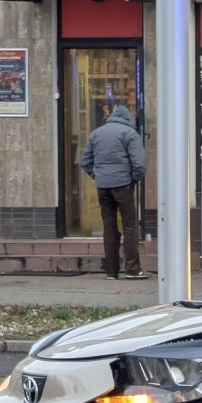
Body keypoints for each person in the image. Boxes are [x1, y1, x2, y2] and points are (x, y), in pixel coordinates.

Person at [81, 105, 149, 280]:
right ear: (128, 119)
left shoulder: (96, 133)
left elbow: (86, 161)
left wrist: (98, 176)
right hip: (123, 185)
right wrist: (133, 179)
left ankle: (111, 271)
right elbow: (139, 164)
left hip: (103, 187)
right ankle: (133, 269)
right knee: (129, 226)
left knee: (109, 228)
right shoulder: (130, 134)